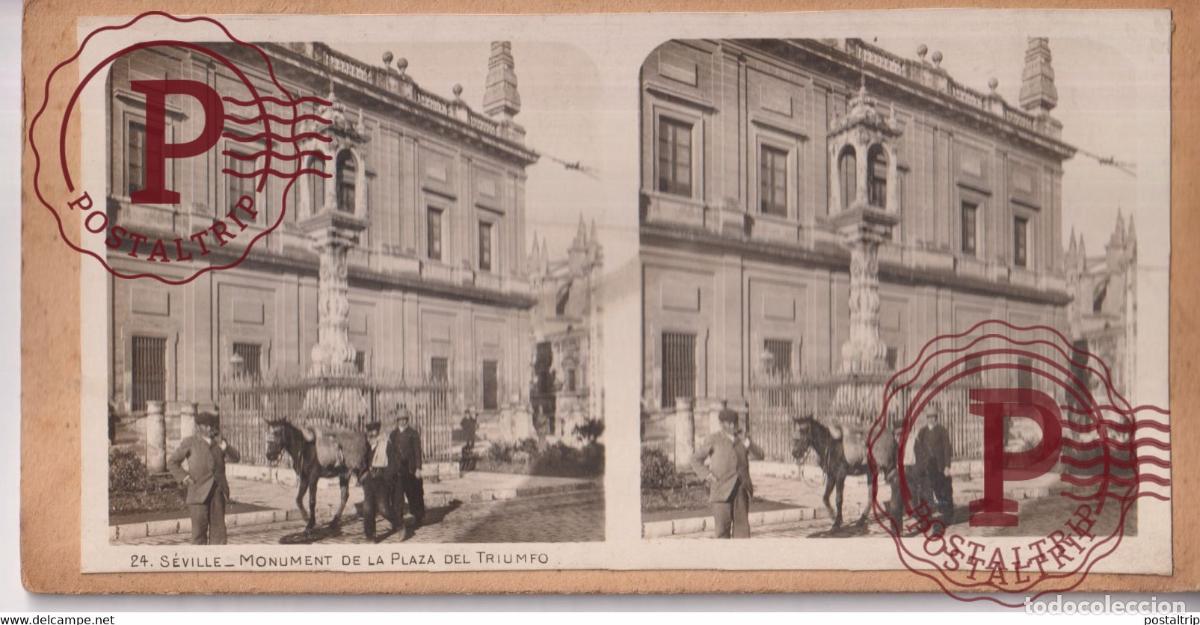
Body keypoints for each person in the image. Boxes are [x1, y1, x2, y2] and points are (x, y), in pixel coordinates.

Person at [166, 410, 240, 545]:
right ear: (198, 427)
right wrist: (184, 477)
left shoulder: (219, 442)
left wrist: (226, 447)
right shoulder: (190, 442)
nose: (210, 428)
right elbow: (172, 462)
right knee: (199, 534)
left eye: (211, 425)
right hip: (198, 493)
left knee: (219, 535)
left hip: (217, 492)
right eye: (206, 425)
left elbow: (236, 458)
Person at [690, 408, 764, 539]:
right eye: (728, 423)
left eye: (734, 422)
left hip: (741, 490)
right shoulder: (714, 439)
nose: (731, 426)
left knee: (742, 533)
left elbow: (760, 455)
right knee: (722, 531)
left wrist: (748, 443)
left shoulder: (743, 440)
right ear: (721, 424)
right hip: (721, 490)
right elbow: (695, 459)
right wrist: (707, 475)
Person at [361, 419, 401, 541]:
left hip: (382, 480)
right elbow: (362, 463)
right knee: (367, 508)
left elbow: (394, 464)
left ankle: (399, 525)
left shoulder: (386, 445)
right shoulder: (366, 446)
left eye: (374, 431)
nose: (371, 434)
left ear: (378, 431)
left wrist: (386, 477)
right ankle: (370, 536)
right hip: (369, 480)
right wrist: (363, 475)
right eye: (369, 431)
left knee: (383, 508)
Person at [914, 409, 954, 525]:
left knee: (942, 491)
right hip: (927, 467)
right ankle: (928, 516)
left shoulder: (942, 430)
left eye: (933, 417)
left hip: (939, 467)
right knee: (927, 491)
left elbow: (947, 448)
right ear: (926, 419)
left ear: (936, 418)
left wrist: (947, 466)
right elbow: (917, 447)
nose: (931, 419)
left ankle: (947, 515)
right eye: (929, 417)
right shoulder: (922, 431)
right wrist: (920, 464)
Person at [389, 406, 425, 531]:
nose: (402, 421)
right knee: (397, 496)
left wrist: (418, 468)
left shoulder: (413, 433)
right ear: (397, 420)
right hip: (398, 470)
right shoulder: (393, 434)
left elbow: (417, 452)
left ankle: (418, 517)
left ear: (407, 420)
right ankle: (397, 521)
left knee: (414, 494)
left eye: (404, 419)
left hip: (410, 469)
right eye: (400, 419)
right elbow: (390, 453)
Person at [459, 407, 478, 473]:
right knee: (466, 446)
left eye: (468, 414)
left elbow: (475, 422)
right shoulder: (464, 420)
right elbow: (461, 424)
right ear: (465, 414)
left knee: (471, 445)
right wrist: (464, 428)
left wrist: (476, 417)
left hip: (471, 434)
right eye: (466, 414)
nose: (467, 415)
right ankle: (465, 461)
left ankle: (469, 463)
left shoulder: (471, 419)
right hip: (466, 434)